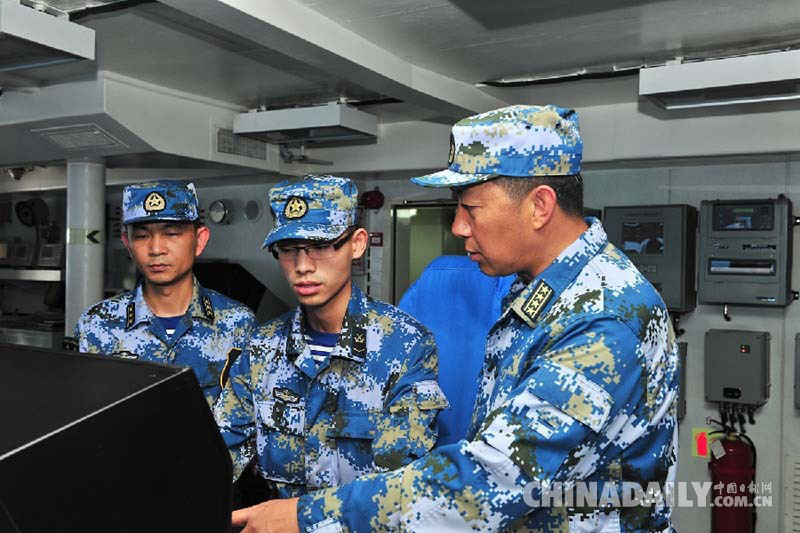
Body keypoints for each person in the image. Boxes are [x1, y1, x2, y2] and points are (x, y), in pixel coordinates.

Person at [231, 105, 679, 532]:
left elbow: (489, 484)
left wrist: (305, 518)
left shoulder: (600, 316)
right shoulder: (542, 293)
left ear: (539, 206)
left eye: (472, 209)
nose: (459, 227)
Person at [213, 175, 448, 500]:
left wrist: (300, 520)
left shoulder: (405, 346)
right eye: (289, 250)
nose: (303, 266)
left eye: (321, 247)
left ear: (357, 244)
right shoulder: (262, 349)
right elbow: (217, 454)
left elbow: (400, 490)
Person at [72, 180, 257, 405]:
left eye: (171, 233)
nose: (156, 249)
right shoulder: (96, 324)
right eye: (141, 236)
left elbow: (247, 418)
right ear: (128, 244)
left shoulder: (238, 323)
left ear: (200, 240)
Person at [398, 255, 514, 447]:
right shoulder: (511, 288)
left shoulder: (431, 277)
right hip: (487, 443)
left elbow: (399, 348)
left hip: (426, 433)